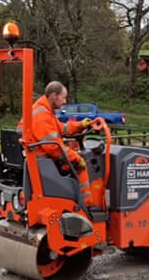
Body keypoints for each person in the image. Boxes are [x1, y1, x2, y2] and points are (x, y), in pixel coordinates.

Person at [25, 81, 97, 209]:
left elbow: (62, 128)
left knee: (76, 159)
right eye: (63, 97)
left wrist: (80, 125)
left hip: (42, 157)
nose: (65, 101)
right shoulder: (42, 115)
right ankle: (87, 207)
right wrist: (76, 157)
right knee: (80, 166)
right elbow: (53, 148)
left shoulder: (45, 110)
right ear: (54, 96)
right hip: (44, 159)